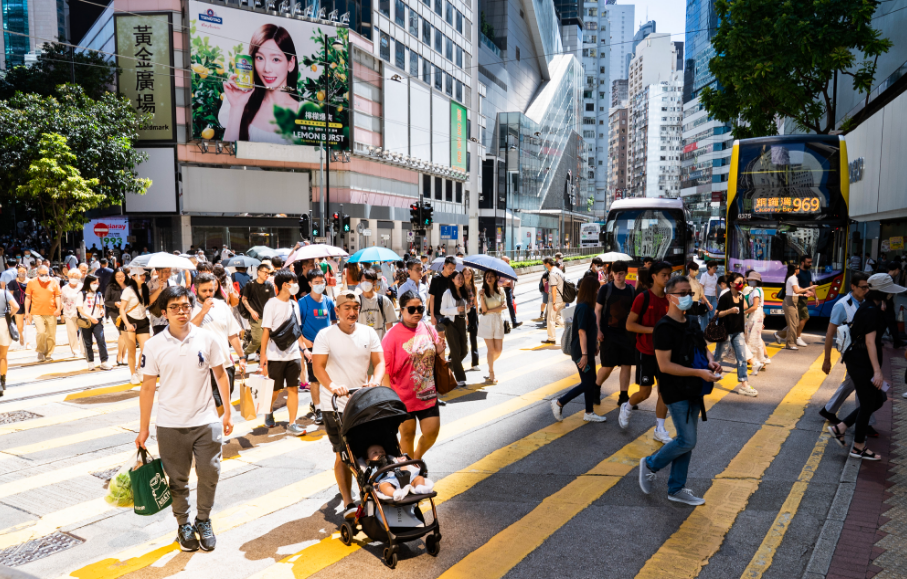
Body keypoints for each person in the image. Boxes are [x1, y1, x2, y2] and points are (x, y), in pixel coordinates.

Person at [135, 286, 233, 553]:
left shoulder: (206, 338)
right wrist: (143, 429)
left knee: (210, 473)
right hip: (170, 424)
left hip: (206, 419)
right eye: (175, 307)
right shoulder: (154, 345)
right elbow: (147, 388)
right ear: (164, 312)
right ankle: (183, 525)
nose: (181, 311)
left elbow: (220, 374)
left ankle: (203, 520)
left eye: (186, 306)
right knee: (177, 480)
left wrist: (228, 410)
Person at [638, 276, 722, 506]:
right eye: (682, 293)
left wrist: (711, 362)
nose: (687, 298)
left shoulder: (692, 321)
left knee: (687, 440)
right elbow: (664, 366)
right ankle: (651, 464)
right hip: (675, 390)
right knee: (687, 440)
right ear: (670, 297)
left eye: (689, 293)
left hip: (694, 387)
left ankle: (676, 488)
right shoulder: (663, 328)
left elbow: (703, 349)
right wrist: (699, 373)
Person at [312, 291, 385, 519]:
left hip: (362, 402)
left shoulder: (368, 332)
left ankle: (371, 492)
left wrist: (375, 380)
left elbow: (380, 361)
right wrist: (333, 386)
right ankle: (348, 502)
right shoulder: (325, 335)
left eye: (355, 307)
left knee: (365, 451)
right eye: (347, 308)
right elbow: (318, 368)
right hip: (334, 404)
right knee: (343, 454)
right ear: (337, 311)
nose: (352, 312)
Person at [827, 273, 906, 460]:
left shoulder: (870, 307)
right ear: (883, 292)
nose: (891, 295)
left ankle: (841, 428)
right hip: (861, 363)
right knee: (869, 402)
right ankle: (858, 447)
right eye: (889, 292)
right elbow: (870, 342)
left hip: (860, 361)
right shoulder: (870, 310)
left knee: (877, 399)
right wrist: (878, 371)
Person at [382, 291, 442, 459]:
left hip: (427, 393)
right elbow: (385, 369)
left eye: (420, 308)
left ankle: (416, 459)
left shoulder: (428, 328)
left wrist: (439, 350)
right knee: (407, 435)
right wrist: (389, 398)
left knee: (432, 432)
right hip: (402, 398)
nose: (417, 312)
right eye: (412, 309)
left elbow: (436, 352)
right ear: (401, 310)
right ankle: (408, 470)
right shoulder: (391, 336)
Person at [620, 261, 673, 443]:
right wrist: (653, 330)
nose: (667, 278)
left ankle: (659, 428)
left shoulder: (670, 299)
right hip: (646, 351)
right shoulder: (643, 298)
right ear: (654, 276)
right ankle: (627, 405)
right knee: (644, 393)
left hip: (665, 354)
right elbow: (630, 324)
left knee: (665, 392)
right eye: (663, 275)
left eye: (669, 275)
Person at [221, 26, 301, 143]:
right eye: (259, 58)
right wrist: (237, 107)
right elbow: (226, 157)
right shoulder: (241, 105)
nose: (267, 69)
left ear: (291, 63)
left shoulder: (304, 113)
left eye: (275, 59)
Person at [551, 275, 608, 423]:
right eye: (597, 289)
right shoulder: (583, 308)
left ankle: (589, 412)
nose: (598, 292)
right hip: (581, 352)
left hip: (587, 350)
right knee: (588, 383)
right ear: (591, 290)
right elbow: (581, 332)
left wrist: (594, 345)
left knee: (590, 380)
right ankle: (559, 403)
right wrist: (584, 354)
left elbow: (590, 330)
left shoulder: (588, 306)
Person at [191, 273, 247, 421]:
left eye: (211, 289)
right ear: (196, 290)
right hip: (202, 366)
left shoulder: (222, 306)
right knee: (211, 402)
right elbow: (187, 331)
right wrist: (203, 311)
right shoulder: (189, 309)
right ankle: (208, 431)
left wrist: (242, 357)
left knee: (223, 401)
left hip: (225, 363)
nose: (208, 293)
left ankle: (210, 428)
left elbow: (232, 334)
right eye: (204, 290)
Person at [820, 272, 873, 426]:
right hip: (851, 352)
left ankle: (829, 410)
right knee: (862, 383)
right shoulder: (841, 305)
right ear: (853, 286)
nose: (866, 290)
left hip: (864, 350)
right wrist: (827, 360)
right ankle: (866, 423)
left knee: (852, 381)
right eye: (863, 287)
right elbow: (830, 334)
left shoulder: (866, 302)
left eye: (868, 287)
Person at [259, 269, 306, 432]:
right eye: (293, 282)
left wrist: (304, 349)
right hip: (275, 355)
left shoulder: (294, 304)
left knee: (293, 388)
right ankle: (269, 411)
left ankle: (292, 423)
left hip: (293, 354)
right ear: (284, 285)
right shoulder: (271, 304)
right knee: (276, 390)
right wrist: (263, 355)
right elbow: (266, 331)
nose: (296, 285)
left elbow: (296, 330)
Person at [595, 260, 637, 407]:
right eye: (615, 273)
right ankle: (596, 388)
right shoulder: (606, 289)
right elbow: (598, 310)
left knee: (626, 365)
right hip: (608, 333)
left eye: (621, 273)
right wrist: (598, 330)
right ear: (612, 273)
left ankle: (623, 396)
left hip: (626, 334)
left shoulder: (631, 290)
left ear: (626, 273)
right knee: (608, 365)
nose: (618, 276)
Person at [298, 268, 337, 425]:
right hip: (312, 348)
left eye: (322, 282)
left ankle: (327, 406)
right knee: (314, 380)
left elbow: (334, 322)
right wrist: (305, 347)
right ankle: (319, 409)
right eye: (316, 282)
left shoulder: (328, 301)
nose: (320, 285)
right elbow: (297, 328)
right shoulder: (302, 303)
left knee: (329, 377)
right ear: (309, 284)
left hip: (328, 346)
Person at [714, 272, 758, 397]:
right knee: (719, 356)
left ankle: (744, 385)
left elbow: (744, 308)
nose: (742, 284)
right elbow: (717, 313)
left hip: (738, 332)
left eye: (743, 281)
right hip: (725, 331)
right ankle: (709, 375)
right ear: (731, 283)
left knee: (742, 358)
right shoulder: (726, 297)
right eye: (739, 282)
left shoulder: (741, 296)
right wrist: (730, 310)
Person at [120, 267, 153, 384]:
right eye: (140, 275)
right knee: (132, 350)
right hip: (129, 321)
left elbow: (149, 302)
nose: (143, 276)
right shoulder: (128, 290)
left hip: (143, 320)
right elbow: (122, 309)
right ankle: (133, 374)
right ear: (133, 277)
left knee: (146, 349)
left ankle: (139, 369)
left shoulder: (145, 288)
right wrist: (127, 324)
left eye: (144, 274)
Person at [364, 444, 432, 499]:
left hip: (402, 476)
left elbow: (403, 467)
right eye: (375, 453)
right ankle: (395, 493)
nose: (380, 454)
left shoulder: (392, 460)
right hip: (388, 481)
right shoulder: (371, 468)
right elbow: (371, 480)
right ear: (367, 460)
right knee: (383, 486)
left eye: (382, 452)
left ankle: (419, 487)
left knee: (418, 478)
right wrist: (374, 485)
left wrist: (403, 463)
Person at [25, 265, 62, 362]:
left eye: (46, 274)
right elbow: (28, 297)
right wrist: (27, 312)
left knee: (51, 335)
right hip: (37, 312)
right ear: (37, 273)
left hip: (51, 312)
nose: (44, 276)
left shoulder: (54, 282)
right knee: (41, 332)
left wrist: (58, 308)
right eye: (42, 274)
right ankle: (41, 351)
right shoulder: (31, 282)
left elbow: (57, 296)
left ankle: (49, 353)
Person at [775, 263, 815, 350]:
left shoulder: (793, 278)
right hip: (790, 302)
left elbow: (796, 292)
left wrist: (805, 295)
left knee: (795, 323)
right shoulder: (793, 278)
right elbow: (796, 291)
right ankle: (790, 344)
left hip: (793, 301)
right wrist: (810, 288)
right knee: (793, 324)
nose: (799, 270)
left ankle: (779, 334)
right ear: (794, 270)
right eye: (797, 268)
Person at [440, 270, 469, 385]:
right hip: (451, 323)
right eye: (459, 278)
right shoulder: (447, 293)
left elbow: (464, 309)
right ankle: (460, 378)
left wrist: (467, 309)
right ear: (452, 280)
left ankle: (447, 367)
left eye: (462, 278)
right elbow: (442, 310)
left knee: (464, 350)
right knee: (456, 351)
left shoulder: (463, 292)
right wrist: (456, 310)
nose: (461, 280)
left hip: (462, 322)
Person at [77, 274, 112, 371]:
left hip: (97, 321)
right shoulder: (82, 294)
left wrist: (102, 310)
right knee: (88, 342)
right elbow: (80, 309)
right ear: (88, 283)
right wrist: (90, 317)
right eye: (94, 283)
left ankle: (104, 361)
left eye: (97, 283)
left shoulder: (99, 294)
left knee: (101, 340)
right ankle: (90, 361)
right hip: (86, 321)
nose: (96, 285)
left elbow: (101, 305)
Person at [241, 263, 275, 362]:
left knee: (266, 340)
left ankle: (261, 357)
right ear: (258, 272)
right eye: (265, 272)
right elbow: (244, 299)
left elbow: (271, 301)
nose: (267, 275)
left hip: (267, 317)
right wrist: (252, 311)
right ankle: (244, 353)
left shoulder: (269, 285)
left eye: (269, 273)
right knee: (258, 339)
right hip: (255, 317)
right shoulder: (250, 284)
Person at [478, 270, 506, 383]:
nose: (488, 278)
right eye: (487, 276)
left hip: (498, 320)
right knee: (491, 349)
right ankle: (491, 372)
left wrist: (490, 310)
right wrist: (480, 296)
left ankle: (490, 363)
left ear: (495, 278)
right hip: (487, 321)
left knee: (498, 350)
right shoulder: (482, 292)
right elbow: (483, 310)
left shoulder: (500, 290)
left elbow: (504, 306)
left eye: (491, 276)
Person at [356, 269, 397, 339]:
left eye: (368, 280)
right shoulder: (356, 301)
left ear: (374, 282)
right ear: (359, 282)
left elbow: (389, 327)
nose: (365, 283)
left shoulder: (384, 301)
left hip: (379, 345)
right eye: (363, 281)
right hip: (362, 345)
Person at [743, 271, 769, 376]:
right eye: (749, 280)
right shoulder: (757, 290)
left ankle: (756, 363)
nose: (750, 281)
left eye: (752, 280)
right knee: (755, 338)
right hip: (756, 315)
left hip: (755, 315)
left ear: (756, 281)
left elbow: (754, 306)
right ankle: (760, 362)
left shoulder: (756, 291)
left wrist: (743, 312)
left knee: (752, 338)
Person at [105, 268, 130, 366]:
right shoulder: (110, 286)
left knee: (127, 335)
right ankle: (120, 356)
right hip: (116, 313)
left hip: (128, 312)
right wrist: (115, 303)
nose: (120, 278)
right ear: (114, 277)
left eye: (122, 276)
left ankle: (122, 357)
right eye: (118, 276)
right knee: (123, 334)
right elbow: (106, 301)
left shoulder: (129, 286)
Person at [428, 256, 457, 332]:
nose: (452, 270)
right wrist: (432, 316)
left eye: (453, 268)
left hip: (450, 311)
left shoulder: (453, 279)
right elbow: (432, 298)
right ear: (444, 266)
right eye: (450, 268)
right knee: (441, 336)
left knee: (450, 336)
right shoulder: (436, 279)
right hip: (438, 312)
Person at [0, 286, 20, 393]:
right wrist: (10, 315)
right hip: (3, 324)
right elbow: (16, 306)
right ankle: (2, 382)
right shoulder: (4, 293)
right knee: (3, 356)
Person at [61, 269, 84, 358]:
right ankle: (75, 350)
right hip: (69, 312)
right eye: (71, 277)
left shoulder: (82, 286)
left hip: (81, 312)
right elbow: (62, 301)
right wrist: (61, 314)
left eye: (75, 277)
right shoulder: (64, 288)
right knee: (71, 332)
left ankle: (83, 349)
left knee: (83, 331)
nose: (73, 278)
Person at [542, 257, 565, 344]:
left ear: (547, 264)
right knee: (557, 318)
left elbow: (554, 289)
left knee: (550, 318)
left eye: (544, 264)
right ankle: (572, 329)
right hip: (562, 298)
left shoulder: (553, 273)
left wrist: (554, 302)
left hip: (555, 299)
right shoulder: (559, 271)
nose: (544, 266)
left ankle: (551, 338)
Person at [882, 261, 904, 348]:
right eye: (899, 270)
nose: (899, 272)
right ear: (897, 269)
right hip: (887, 303)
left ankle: (876, 340)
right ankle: (897, 342)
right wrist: (883, 302)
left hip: (886, 303)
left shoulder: (887, 277)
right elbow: (884, 292)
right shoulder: (889, 278)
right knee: (891, 322)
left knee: (884, 323)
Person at [463, 267, 481, 371]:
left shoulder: (474, 287)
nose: (467, 275)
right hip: (462, 314)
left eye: (469, 273)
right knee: (462, 338)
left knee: (473, 338)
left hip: (472, 313)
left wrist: (477, 315)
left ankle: (475, 363)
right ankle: (454, 359)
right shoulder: (460, 287)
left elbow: (476, 303)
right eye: (465, 273)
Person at [686, 262, 711, 332]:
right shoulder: (686, 280)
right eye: (694, 269)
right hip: (689, 303)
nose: (696, 271)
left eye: (697, 269)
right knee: (692, 321)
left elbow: (701, 293)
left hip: (696, 303)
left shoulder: (696, 280)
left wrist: (708, 302)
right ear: (690, 270)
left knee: (694, 320)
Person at [7, 266, 28, 350]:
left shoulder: (30, 282)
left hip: (28, 305)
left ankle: (28, 342)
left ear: (27, 271)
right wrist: (11, 306)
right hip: (17, 305)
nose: (22, 272)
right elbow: (10, 295)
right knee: (19, 325)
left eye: (23, 271)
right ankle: (21, 336)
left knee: (28, 324)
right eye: (20, 271)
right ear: (17, 272)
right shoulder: (13, 282)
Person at [499, 256, 522, 328]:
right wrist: (502, 283)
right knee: (499, 306)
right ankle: (500, 323)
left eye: (508, 261)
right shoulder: (498, 269)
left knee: (510, 304)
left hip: (508, 289)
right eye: (506, 261)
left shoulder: (510, 269)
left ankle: (514, 322)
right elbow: (495, 281)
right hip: (500, 289)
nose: (508, 262)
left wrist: (512, 292)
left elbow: (511, 281)